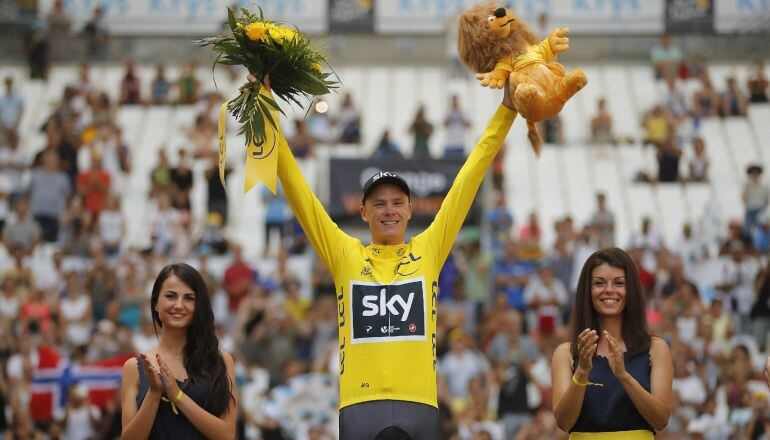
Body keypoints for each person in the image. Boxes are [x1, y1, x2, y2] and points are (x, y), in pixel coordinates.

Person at [257, 73, 515, 439]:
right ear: (363, 212)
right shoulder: (345, 253)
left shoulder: (430, 248)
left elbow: (471, 174)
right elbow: (298, 190)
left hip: (420, 403)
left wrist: (506, 109)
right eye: (379, 204)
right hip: (360, 406)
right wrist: (266, 108)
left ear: (411, 209)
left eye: (397, 203)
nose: (388, 210)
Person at [552, 248, 673, 437]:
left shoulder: (655, 349)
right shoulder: (566, 353)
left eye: (619, 283)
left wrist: (623, 376)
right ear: (587, 290)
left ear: (631, 289)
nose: (609, 290)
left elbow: (661, 419)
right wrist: (582, 370)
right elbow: (563, 422)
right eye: (599, 283)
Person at [121, 263, 237, 439]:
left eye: (189, 298)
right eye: (170, 296)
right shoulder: (133, 368)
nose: (179, 305)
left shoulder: (221, 361)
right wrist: (154, 393)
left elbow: (227, 435)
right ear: (155, 303)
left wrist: (177, 395)